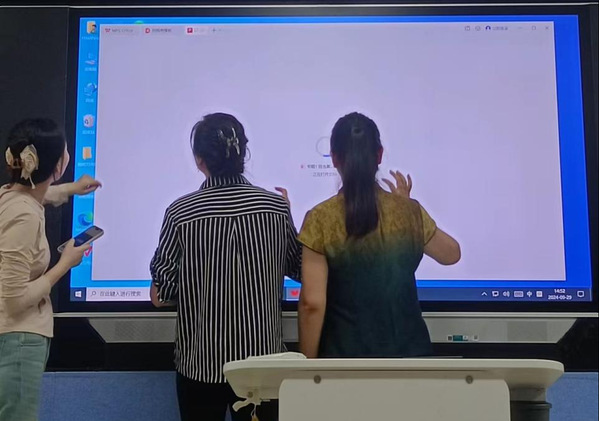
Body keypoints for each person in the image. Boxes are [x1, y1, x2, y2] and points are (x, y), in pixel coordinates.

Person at [150, 113, 301, 421]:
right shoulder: (275, 208)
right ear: (243, 153)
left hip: (200, 366)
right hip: (262, 368)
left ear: (199, 160)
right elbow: (299, 269)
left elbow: (160, 294)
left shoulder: (180, 213)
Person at [298, 112, 461, 359]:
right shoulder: (408, 212)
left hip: (343, 364)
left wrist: (306, 367)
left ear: (334, 158)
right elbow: (451, 254)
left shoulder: (320, 218)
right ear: (379, 155)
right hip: (411, 362)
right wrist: (407, 207)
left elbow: (312, 304)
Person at [0, 118, 101, 421]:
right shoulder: (24, 216)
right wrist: (64, 264)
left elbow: (40, 195)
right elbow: (14, 299)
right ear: (57, 165)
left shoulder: (11, 195)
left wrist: (71, 188)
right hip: (18, 339)